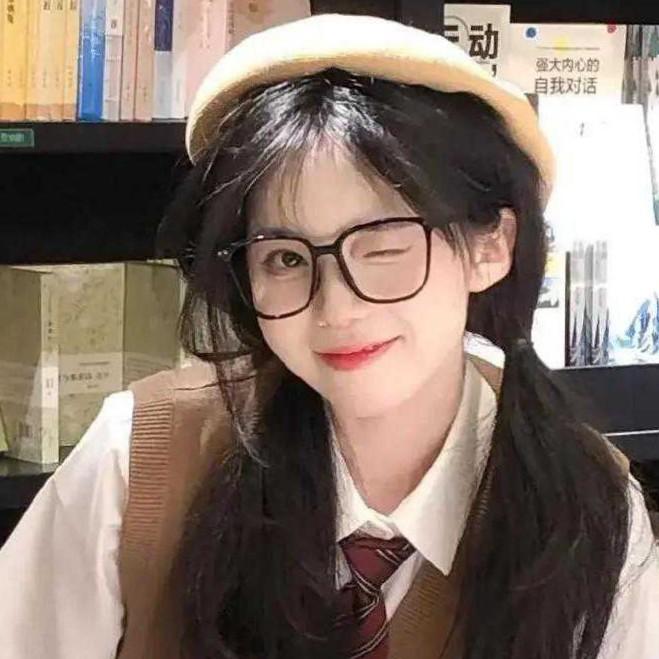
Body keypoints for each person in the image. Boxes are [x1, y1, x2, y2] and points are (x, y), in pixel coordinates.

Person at [1, 13, 658, 659]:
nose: (336, 307)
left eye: (383, 246)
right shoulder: (142, 458)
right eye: (285, 258)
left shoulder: (590, 506)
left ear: (491, 246)